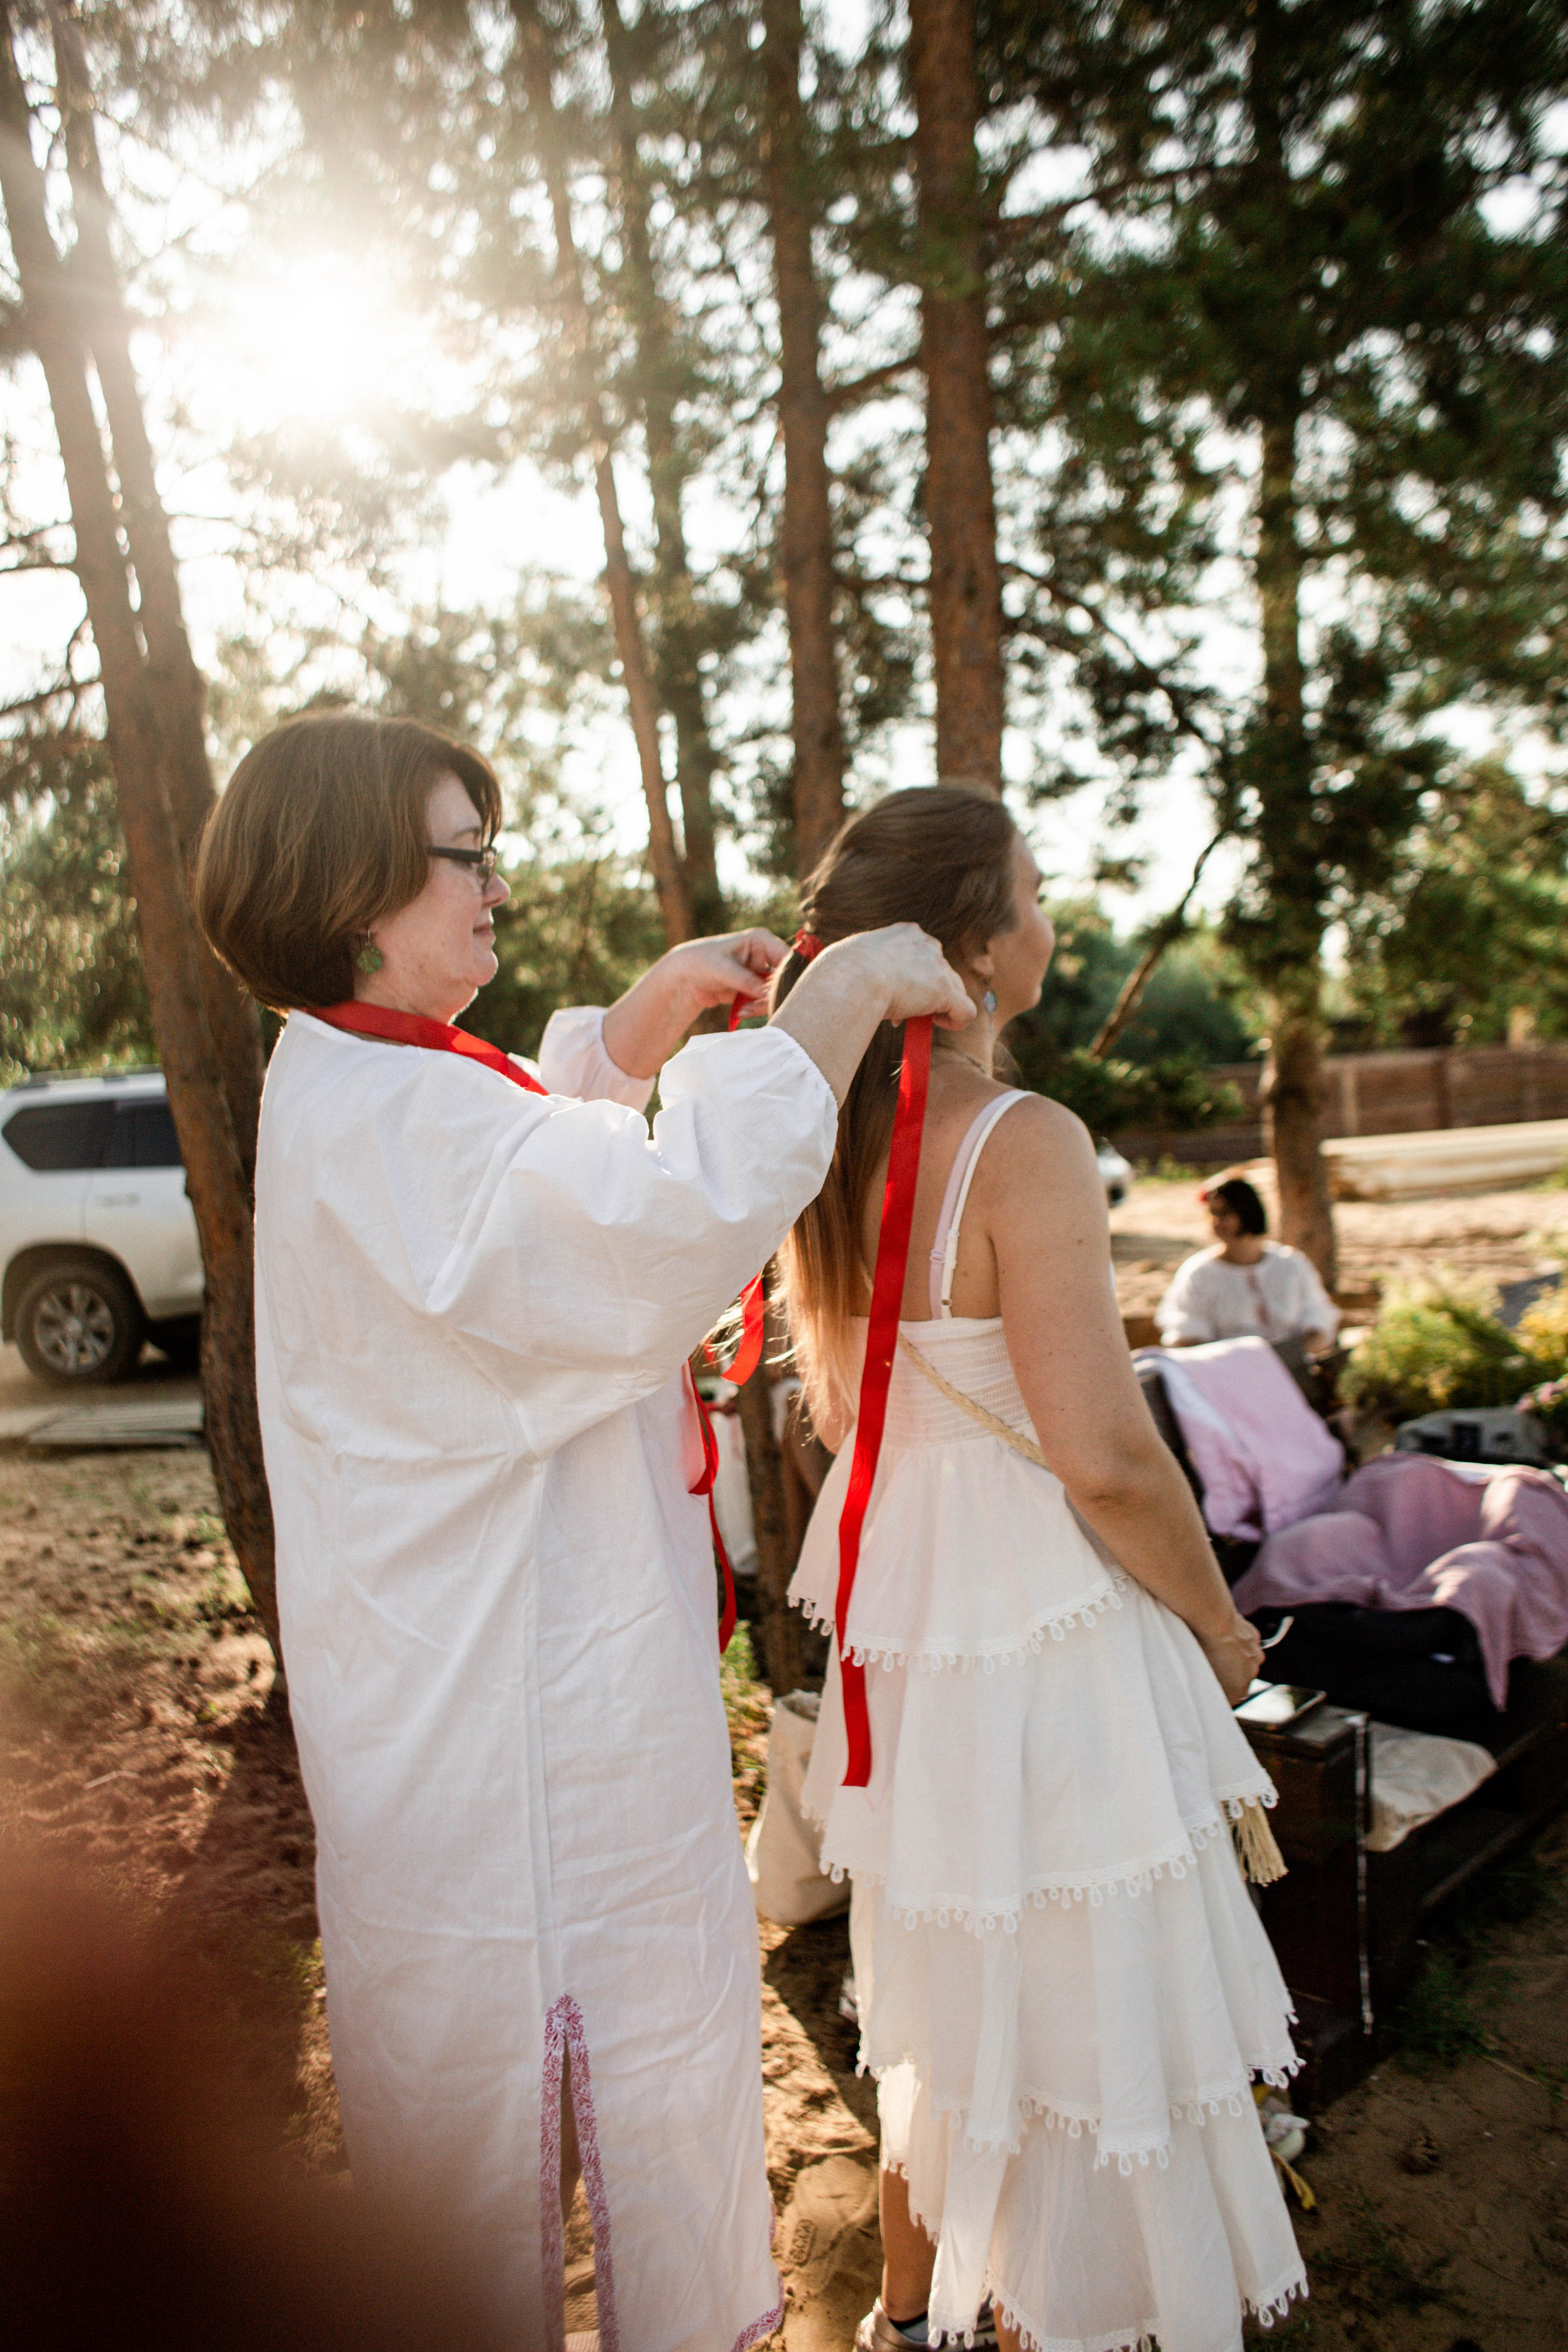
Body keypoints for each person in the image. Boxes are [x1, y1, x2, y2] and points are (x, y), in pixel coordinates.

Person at [193, 711, 973, 2352]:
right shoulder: (393, 1116)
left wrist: (625, 1037)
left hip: (486, 1709)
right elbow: (653, 1226)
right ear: (354, 886)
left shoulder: (363, 1076)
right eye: (463, 855)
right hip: (514, 1753)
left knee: (503, 2144)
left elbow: (521, 1189)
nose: (495, 890)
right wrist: (829, 1007)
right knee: (526, 2147)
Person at [777, 786, 1306, 2352]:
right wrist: (1217, 1630)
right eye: (1034, 889)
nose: (1049, 916)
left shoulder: (826, 1142)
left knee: (949, 2008)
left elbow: (835, 1413)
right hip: (1044, 1615)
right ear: (977, 950)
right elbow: (1103, 1453)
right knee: (1090, 2006)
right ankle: (1070, 2317)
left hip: (916, 1623)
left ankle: (912, 2316)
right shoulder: (1022, 1141)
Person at [1158, 1174, 1339, 1353]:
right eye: (1213, 1214)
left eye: (1225, 1213)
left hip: (1293, 1363)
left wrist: (1303, 1347)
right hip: (1229, 1369)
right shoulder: (1200, 1272)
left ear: (1247, 1211)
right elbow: (1186, 1328)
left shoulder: (1291, 1264)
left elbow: (1318, 1314)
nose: (1217, 1222)